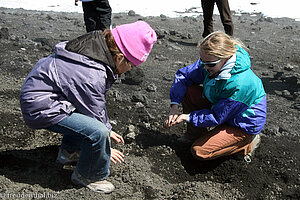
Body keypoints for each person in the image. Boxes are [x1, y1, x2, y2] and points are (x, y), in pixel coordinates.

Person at [20, 21, 157, 193]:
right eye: (131, 65)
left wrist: (106, 129)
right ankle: (88, 175)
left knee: (93, 123)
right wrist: (105, 146)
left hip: (49, 97)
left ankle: (70, 152)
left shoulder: (92, 49)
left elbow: (91, 104)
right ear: (120, 57)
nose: (128, 70)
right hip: (41, 106)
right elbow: (93, 111)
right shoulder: (91, 73)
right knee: (97, 132)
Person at [164, 31, 266, 162]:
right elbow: (183, 76)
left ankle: (247, 143)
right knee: (188, 90)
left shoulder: (241, 83)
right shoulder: (211, 62)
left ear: (225, 57)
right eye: (202, 61)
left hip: (241, 123)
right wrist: (175, 106)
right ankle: (194, 134)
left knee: (199, 151)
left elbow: (218, 116)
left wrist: (188, 117)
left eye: (210, 64)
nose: (205, 67)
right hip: (220, 105)